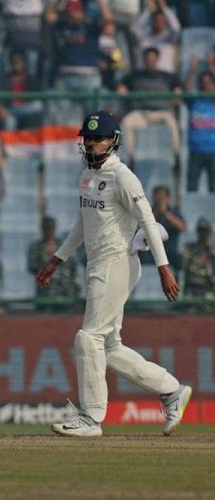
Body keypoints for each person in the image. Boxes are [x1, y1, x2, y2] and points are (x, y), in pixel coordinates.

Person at [36, 110, 192, 437]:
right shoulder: (86, 176)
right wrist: (56, 260)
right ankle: (171, 391)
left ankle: (91, 418)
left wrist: (164, 269)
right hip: (99, 265)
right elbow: (82, 224)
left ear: (114, 141)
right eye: (88, 139)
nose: (92, 144)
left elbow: (149, 222)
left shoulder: (123, 177)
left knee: (87, 336)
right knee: (108, 347)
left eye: (99, 138)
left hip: (116, 263)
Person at [27, 216, 79, 309]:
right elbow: (32, 267)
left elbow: (73, 267)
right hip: (45, 293)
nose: (49, 231)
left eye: (51, 228)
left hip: (65, 292)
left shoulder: (63, 246)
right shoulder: (35, 247)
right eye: (46, 228)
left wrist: (76, 289)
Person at [138, 185, 185, 273]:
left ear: (168, 198)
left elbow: (182, 227)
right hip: (151, 252)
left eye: (162, 197)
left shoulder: (174, 212)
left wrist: (165, 212)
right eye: (157, 197)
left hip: (169, 251)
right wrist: (155, 212)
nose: (159, 200)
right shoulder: (148, 213)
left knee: (179, 261)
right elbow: (142, 229)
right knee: (141, 257)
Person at [184, 67, 215, 192]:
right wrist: (192, 72)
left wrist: (212, 66)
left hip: (213, 151)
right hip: (195, 151)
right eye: (203, 82)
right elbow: (185, 92)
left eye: (209, 82)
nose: (206, 85)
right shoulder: (195, 101)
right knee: (192, 187)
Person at [182, 217, 215, 307]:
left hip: (208, 289)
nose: (204, 234)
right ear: (198, 232)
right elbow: (184, 267)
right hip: (192, 288)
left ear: (210, 232)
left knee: (209, 305)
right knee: (188, 307)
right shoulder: (189, 249)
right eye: (201, 231)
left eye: (206, 231)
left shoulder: (213, 251)